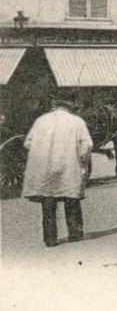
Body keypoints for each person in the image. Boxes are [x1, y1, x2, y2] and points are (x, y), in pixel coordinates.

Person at [21, 93, 93, 248]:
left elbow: (28, 143)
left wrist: (42, 153)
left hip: (46, 169)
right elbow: (87, 145)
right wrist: (81, 160)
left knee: (48, 203)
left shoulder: (41, 121)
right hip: (69, 166)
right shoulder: (77, 122)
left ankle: (50, 239)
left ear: (55, 105)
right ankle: (74, 234)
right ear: (69, 106)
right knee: (71, 200)